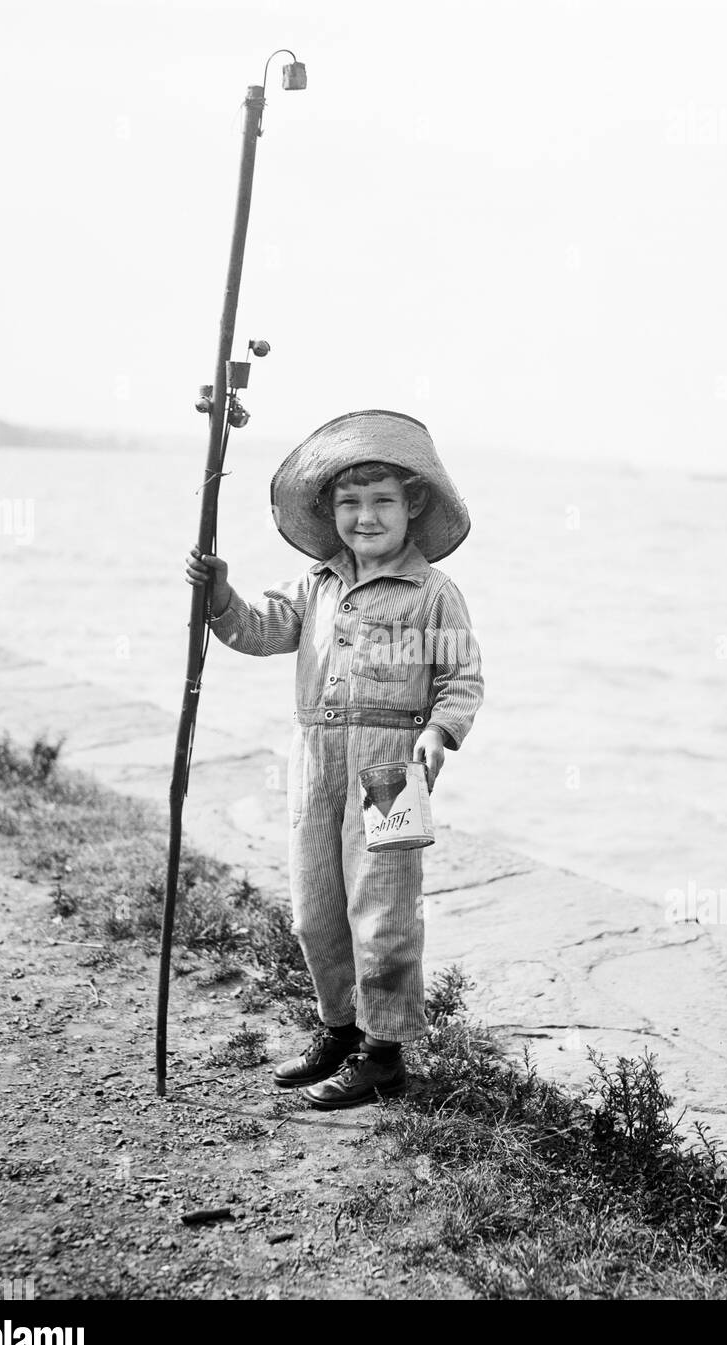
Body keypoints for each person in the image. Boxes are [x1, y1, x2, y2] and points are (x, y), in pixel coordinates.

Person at [184, 410, 483, 1109]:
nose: (366, 517)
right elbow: (258, 631)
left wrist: (440, 734)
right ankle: (340, 1030)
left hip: (393, 772)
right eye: (349, 503)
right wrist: (221, 594)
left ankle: (385, 1053)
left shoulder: (432, 594)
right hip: (316, 763)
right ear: (329, 512)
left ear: (413, 506)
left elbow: (461, 679)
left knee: (385, 912)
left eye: (382, 501)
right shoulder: (317, 583)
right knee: (315, 908)